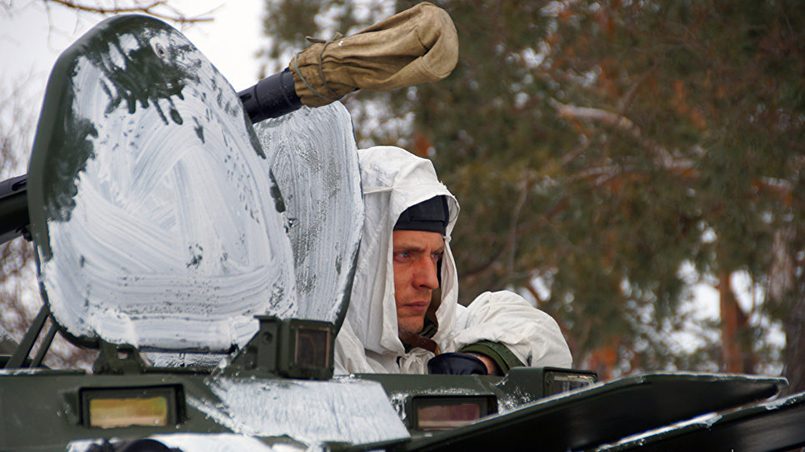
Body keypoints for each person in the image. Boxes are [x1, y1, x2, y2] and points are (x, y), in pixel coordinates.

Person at [334, 146, 572, 375]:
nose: (430, 280)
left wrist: (486, 360)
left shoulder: (441, 336)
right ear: (353, 258)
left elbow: (536, 332)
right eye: (405, 255)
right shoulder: (324, 355)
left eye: (435, 255)